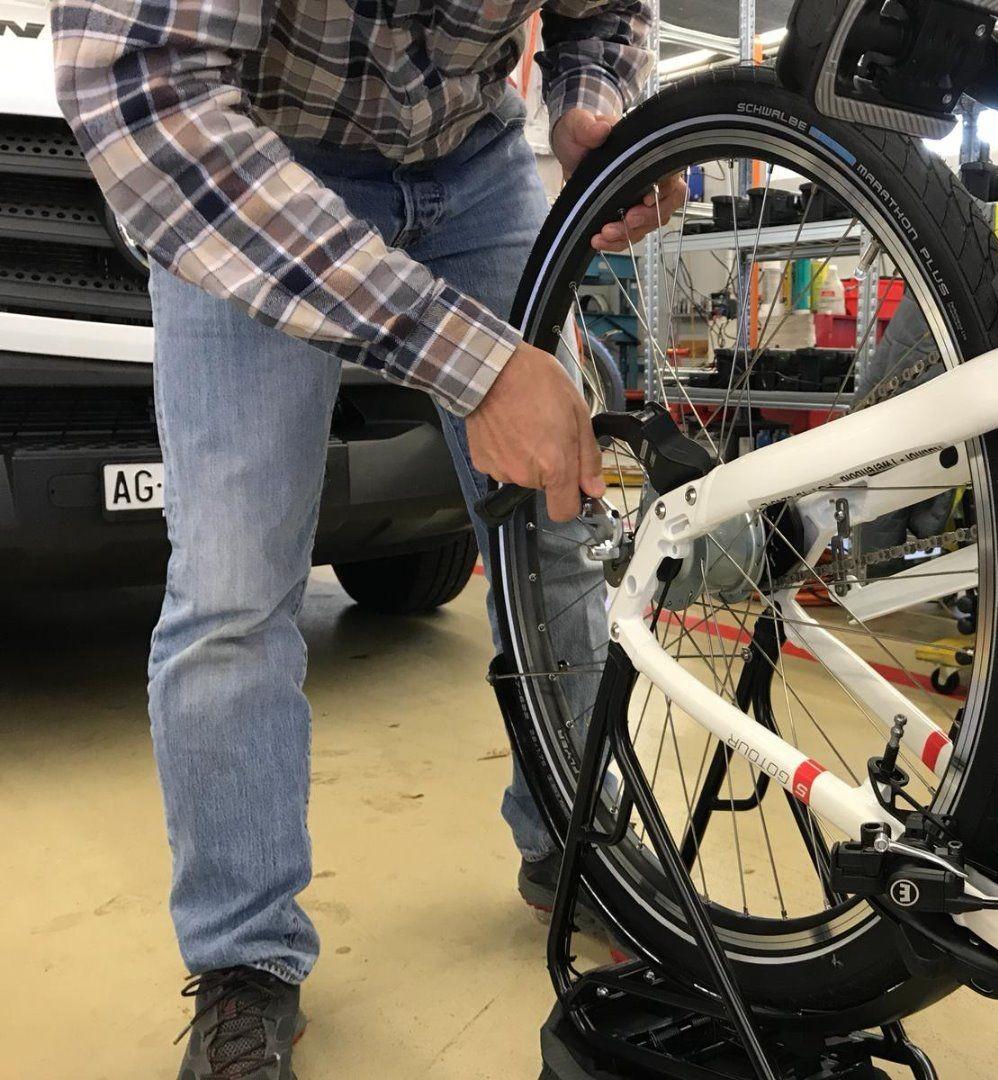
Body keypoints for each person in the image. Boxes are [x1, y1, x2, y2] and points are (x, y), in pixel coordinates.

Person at [50, 0, 685, 1074]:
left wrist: (591, 105)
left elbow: (606, 12)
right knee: (232, 586)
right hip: (247, 156)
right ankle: (244, 956)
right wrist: (475, 364)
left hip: (475, 158)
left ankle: (576, 841)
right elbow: (142, 90)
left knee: (559, 529)